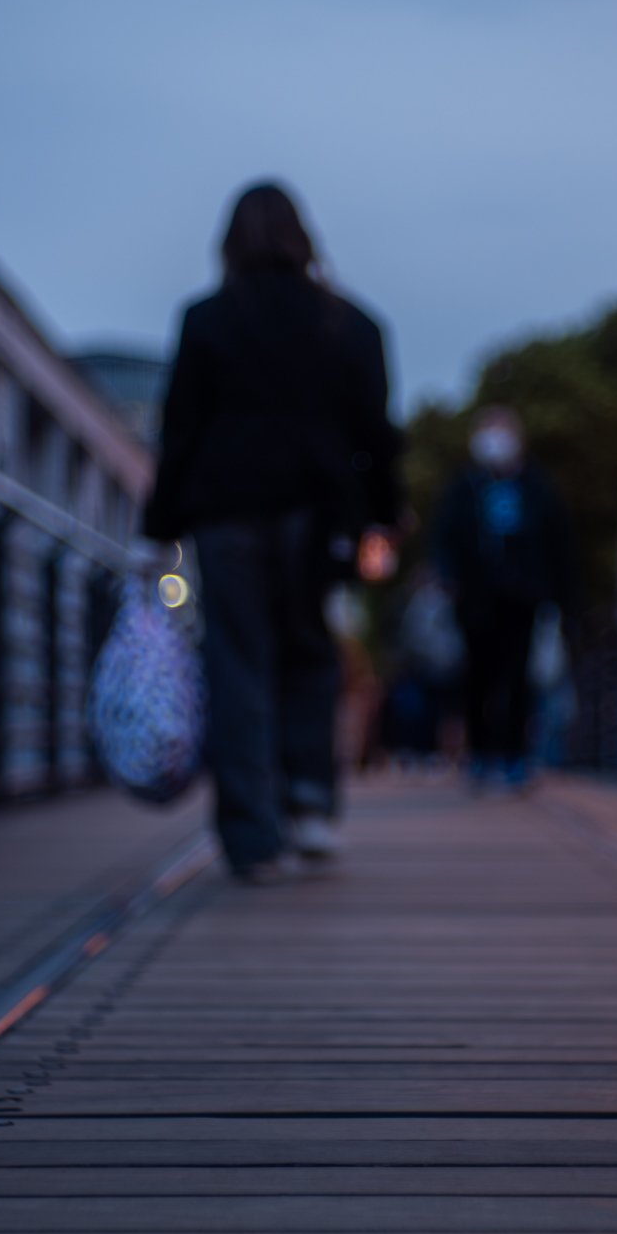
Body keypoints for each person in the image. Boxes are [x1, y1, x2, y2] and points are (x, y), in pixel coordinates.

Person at [142, 182, 400, 880]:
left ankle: (253, 837)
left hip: (226, 515)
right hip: (317, 517)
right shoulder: (349, 325)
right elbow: (377, 437)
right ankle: (310, 801)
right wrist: (382, 517)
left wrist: (158, 525)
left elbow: (180, 432)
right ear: (303, 239)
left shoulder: (206, 320)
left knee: (238, 663)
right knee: (312, 653)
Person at [433, 405, 576, 790]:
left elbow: (558, 543)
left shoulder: (538, 485)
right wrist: (449, 578)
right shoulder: (464, 485)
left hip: (522, 598)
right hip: (475, 599)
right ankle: (480, 755)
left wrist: (559, 596)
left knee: (518, 677)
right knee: (477, 676)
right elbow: (445, 536)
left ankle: (514, 756)